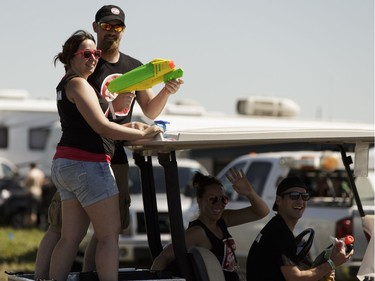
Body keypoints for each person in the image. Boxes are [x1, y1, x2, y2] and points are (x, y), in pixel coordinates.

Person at [34, 4, 183, 279]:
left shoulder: (132, 68)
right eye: (106, 25)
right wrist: (141, 132)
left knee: (84, 234)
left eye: (117, 26)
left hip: (101, 157)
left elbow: (144, 112)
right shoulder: (81, 77)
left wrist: (164, 92)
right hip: (89, 159)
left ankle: (83, 276)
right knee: (85, 232)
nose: (111, 31)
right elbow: (100, 123)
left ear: (123, 31)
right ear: (95, 26)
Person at [151, 167, 269, 281]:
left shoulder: (223, 219)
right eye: (212, 199)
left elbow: (262, 212)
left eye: (223, 199)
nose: (219, 204)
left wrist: (250, 193)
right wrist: (153, 279)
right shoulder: (197, 232)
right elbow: (163, 258)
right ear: (199, 200)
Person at [246, 176, 353, 281]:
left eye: (305, 196)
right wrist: (331, 263)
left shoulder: (276, 226)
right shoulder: (280, 233)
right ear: (278, 200)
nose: (300, 201)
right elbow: (294, 277)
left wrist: (326, 265)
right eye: (294, 196)